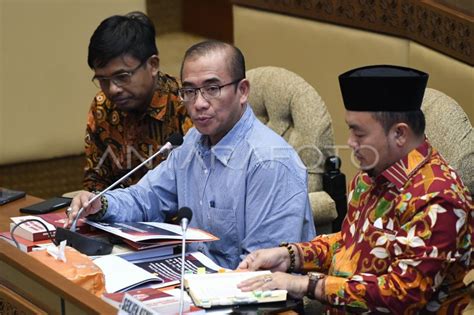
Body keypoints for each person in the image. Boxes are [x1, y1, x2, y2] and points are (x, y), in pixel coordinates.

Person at [237, 65, 473, 314]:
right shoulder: (371, 175)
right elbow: (350, 245)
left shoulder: (439, 200)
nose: (350, 142)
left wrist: (305, 284)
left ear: (400, 134)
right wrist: (290, 255)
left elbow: (402, 295)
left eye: (358, 133)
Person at [67, 40, 316, 269]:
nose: (199, 104)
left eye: (212, 88)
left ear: (242, 91)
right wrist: (101, 203)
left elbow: (260, 272)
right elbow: (146, 198)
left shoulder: (269, 163)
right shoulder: (191, 142)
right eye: (189, 91)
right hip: (195, 281)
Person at [83, 11, 192, 192]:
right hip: (119, 215)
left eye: (122, 76)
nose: (113, 89)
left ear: (153, 65)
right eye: (103, 79)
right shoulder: (103, 106)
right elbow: (96, 182)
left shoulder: (187, 103)